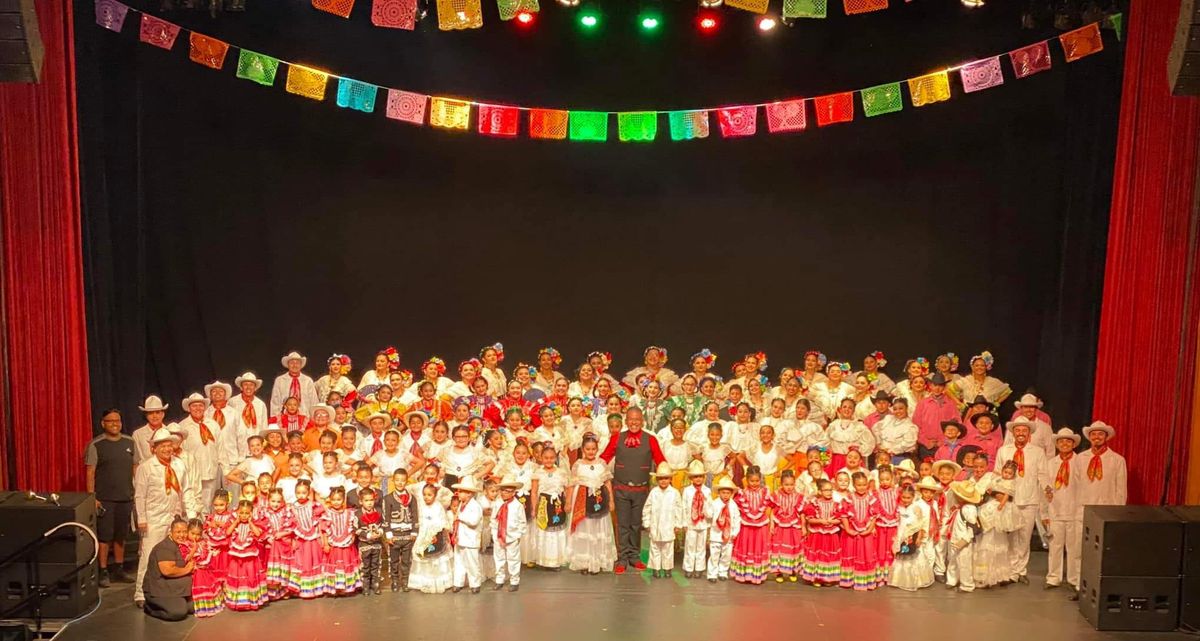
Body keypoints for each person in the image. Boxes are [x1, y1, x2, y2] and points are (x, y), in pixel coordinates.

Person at [133, 427, 199, 606]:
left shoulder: (179, 464)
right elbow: (140, 495)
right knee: (148, 553)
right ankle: (140, 592)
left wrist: (191, 515)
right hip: (154, 517)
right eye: (162, 446)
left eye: (169, 445)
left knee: (177, 553)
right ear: (154, 448)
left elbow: (186, 490)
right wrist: (142, 519)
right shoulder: (146, 467)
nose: (167, 449)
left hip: (174, 516)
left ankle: (172, 589)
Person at [599, 407, 665, 574]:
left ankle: (634, 556)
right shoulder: (617, 438)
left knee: (636, 525)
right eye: (631, 419)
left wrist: (666, 478)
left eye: (637, 419)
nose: (634, 422)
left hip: (641, 489)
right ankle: (622, 558)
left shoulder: (650, 439)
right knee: (622, 524)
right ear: (626, 421)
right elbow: (604, 457)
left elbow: (660, 460)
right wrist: (589, 468)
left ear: (642, 421)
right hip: (620, 488)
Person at [85, 408, 136, 587]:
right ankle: (103, 570)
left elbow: (135, 468)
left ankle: (119, 569)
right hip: (105, 499)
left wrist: (136, 491)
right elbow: (90, 472)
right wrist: (93, 497)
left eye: (118, 420)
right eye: (111, 421)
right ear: (103, 423)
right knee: (105, 536)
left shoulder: (130, 442)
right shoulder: (96, 444)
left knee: (121, 535)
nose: (115, 424)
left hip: (126, 497)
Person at [994, 421, 1047, 584]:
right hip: (1009, 499)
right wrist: (999, 493)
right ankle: (1009, 571)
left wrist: (1047, 493)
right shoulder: (1004, 450)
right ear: (1013, 433)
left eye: (1024, 430)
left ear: (1029, 433)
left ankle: (1020, 570)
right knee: (1009, 536)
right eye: (1018, 430)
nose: (1021, 433)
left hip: (1029, 499)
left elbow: (1043, 475)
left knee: (1024, 537)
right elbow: (997, 473)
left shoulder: (1037, 452)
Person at [567, 436, 616, 574]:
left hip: (600, 499)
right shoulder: (578, 464)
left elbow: (607, 482)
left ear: (597, 449)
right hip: (583, 500)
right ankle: (586, 562)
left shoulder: (602, 463)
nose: (590, 451)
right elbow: (571, 484)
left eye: (593, 449)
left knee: (599, 528)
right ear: (583, 449)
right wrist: (568, 501)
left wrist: (611, 500)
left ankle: (598, 561)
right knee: (586, 529)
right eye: (588, 449)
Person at [1042, 427, 1081, 591]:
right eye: (1061, 441)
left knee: (1074, 547)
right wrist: (1044, 512)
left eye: (1068, 441)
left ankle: (1074, 578)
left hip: (1074, 510)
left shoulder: (1080, 462)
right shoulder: (1050, 463)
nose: (1064, 443)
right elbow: (1044, 488)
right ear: (1057, 444)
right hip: (1055, 509)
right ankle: (1053, 577)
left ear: (1073, 444)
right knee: (1055, 546)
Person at [142, 517, 195, 621]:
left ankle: (180, 601)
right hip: (158, 590)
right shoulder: (164, 547)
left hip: (173, 587)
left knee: (194, 607)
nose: (182, 535)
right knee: (178, 612)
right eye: (178, 532)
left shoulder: (181, 545)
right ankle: (150, 607)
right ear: (171, 532)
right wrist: (187, 569)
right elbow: (168, 571)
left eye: (184, 532)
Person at [527, 445, 570, 569]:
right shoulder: (538, 472)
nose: (549, 460)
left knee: (557, 531)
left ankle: (557, 560)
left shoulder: (561, 472)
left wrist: (567, 503)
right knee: (544, 531)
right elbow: (534, 492)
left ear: (555, 458)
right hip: (544, 504)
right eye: (546, 458)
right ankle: (545, 560)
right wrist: (534, 508)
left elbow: (567, 489)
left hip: (558, 505)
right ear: (541, 458)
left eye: (551, 458)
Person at [974, 479, 1019, 589]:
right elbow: (983, 517)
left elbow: (1009, 522)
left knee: (1000, 553)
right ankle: (984, 578)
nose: (1000, 495)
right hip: (989, 534)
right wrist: (990, 524)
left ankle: (1000, 576)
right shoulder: (989, 505)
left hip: (999, 535)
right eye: (998, 493)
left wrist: (1002, 524)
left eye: (1003, 494)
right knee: (986, 553)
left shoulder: (1008, 507)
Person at [839, 471, 880, 591]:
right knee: (851, 554)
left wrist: (870, 529)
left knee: (865, 554)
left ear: (867, 484)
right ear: (853, 484)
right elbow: (844, 515)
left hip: (866, 533)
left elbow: (874, 516)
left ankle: (864, 581)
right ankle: (849, 580)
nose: (862, 487)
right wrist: (847, 529)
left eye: (864, 485)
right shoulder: (848, 498)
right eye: (859, 485)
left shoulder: (871, 498)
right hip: (851, 532)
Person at [224, 499, 268, 611]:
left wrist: (250, 522)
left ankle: (251, 600)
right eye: (241, 513)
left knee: (250, 578)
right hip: (237, 557)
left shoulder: (252, 524)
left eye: (247, 513)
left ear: (251, 513)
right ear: (238, 512)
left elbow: (258, 533)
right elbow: (228, 533)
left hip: (250, 557)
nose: (244, 515)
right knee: (238, 578)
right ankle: (239, 601)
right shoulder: (236, 524)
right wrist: (236, 521)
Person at [410, 483, 453, 594]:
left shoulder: (438, 507)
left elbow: (442, 522)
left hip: (435, 535)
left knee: (437, 557)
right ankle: (425, 582)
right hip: (423, 534)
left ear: (435, 495)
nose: (426, 497)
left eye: (429, 495)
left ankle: (439, 582)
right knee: (424, 556)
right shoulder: (421, 506)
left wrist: (435, 533)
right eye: (424, 494)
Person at [890, 483, 933, 591]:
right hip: (901, 533)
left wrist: (919, 537)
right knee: (902, 554)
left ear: (913, 497)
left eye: (908, 497)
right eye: (903, 497)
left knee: (913, 555)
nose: (905, 500)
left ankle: (914, 580)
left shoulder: (916, 508)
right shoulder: (899, 507)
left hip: (912, 535)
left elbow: (920, 524)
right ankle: (899, 579)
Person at [731, 465, 770, 584]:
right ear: (747, 480)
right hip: (746, 525)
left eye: (757, 481)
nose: (754, 483)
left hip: (760, 524)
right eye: (751, 481)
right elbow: (738, 506)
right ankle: (744, 574)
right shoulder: (742, 493)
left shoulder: (765, 492)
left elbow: (766, 505)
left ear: (760, 480)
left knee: (757, 547)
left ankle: (756, 574)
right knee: (746, 546)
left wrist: (757, 515)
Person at [381, 469, 418, 592]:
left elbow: (415, 515)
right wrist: (388, 534)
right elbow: (385, 517)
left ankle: (405, 582)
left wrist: (414, 531)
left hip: (407, 534)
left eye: (402, 480)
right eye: (397, 480)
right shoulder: (388, 498)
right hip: (395, 534)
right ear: (393, 481)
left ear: (407, 481)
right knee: (394, 560)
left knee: (406, 560)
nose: (400, 483)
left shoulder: (412, 498)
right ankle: (395, 581)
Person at [643, 462, 682, 578]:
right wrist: (647, 522)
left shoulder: (674, 493)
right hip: (655, 525)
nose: (663, 481)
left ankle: (667, 568)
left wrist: (678, 524)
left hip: (669, 526)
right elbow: (647, 508)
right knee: (655, 547)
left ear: (670, 479)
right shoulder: (654, 492)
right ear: (657, 479)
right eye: (660, 479)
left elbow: (679, 509)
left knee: (668, 548)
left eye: (666, 478)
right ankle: (655, 568)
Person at [321, 486, 362, 595]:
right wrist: (325, 543)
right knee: (336, 566)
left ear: (343, 500)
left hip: (347, 545)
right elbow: (324, 530)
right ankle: (335, 587)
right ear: (330, 499)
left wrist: (352, 536)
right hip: (333, 545)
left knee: (346, 565)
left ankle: (347, 587)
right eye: (333, 499)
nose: (336, 502)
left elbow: (353, 527)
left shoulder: (349, 513)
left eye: (338, 499)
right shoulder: (327, 514)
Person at [489, 475, 527, 591]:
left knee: (513, 559)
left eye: (509, 491)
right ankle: (499, 580)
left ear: (513, 492)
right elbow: (494, 519)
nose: (505, 493)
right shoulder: (497, 503)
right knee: (499, 558)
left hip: (512, 536)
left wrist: (519, 535)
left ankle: (514, 581)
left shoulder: (518, 506)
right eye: (503, 490)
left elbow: (522, 522)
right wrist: (494, 533)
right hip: (499, 535)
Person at [801, 478, 841, 587]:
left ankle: (827, 577)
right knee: (818, 555)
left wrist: (832, 521)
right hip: (818, 534)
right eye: (826, 490)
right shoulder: (814, 503)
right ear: (819, 491)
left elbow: (840, 518)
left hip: (831, 534)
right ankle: (816, 577)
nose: (829, 492)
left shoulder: (836, 504)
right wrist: (821, 521)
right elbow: (810, 519)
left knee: (829, 555)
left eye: (830, 490)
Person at [290, 480, 326, 599]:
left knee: (314, 560)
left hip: (313, 539)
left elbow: (321, 519)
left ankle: (317, 588)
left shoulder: (313, 505)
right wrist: (294, 540)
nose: (301, 495)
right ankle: (305, 589)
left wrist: (322, 538)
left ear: (308, 493)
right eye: (298, 493)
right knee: (303, 562)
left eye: (304, 492)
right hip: (301, 539)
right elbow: (291, 524)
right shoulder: (292, 507)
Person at [913, 373, 961, 461]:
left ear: (944, 387)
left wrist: (944, 441)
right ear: (930, 386)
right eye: (935, 385)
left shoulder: (950, 404)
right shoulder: (923, 403)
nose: (937, 388)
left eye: (940, 385)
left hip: (945, 446)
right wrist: (926, 441)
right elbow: (916, 425)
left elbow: (957, 424)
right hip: (926, 447)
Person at [945, 478, 982, 593]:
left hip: (963, 540)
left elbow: (973, 527)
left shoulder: (969, 509)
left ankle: (967, 585)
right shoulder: (960, 507)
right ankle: (952, 580)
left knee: (964, 563)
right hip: (955, 537)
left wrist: (965, 540)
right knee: (953, 560)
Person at [260, 488, 297, 600]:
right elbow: (261, 527)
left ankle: (285, 590)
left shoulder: (286, 511)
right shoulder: (264, 512)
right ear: (268, 500)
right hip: (271, 546)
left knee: (284, 567)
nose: (275, 504)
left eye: (278, 502)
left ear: (282, 501)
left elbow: (292, 526)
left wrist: (282, 534)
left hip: (284, 544)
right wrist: (269, 537)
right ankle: (273, 592)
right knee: (273, 568)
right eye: (273, 501)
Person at [768, 469, 804, 582]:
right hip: (780, 525)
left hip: (794, 526)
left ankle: (792, 570)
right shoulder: (776, 495)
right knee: (779, 548)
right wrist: (771, 524)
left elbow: (802, 512)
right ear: (781, 484)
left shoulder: (799, 496)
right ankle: (778, 572)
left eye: (791, 484)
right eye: (786, 484)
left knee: (793, 548)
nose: (789, 487)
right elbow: (772, 510)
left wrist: (803, 526)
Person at [680, 460, 712, 579]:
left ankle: (699, 568)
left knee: (701, 546)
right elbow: (684, 507)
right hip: (691, 523)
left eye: (700, 476)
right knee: (690, 546)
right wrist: (683, 522)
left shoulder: (707, 491)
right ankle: (688, 568)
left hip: (703, 522)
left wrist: (709, 521)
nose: (698, 479)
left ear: (704, 477)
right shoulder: (687, 491)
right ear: (691, 478)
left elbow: (710, 507)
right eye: (695, 477)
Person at [949, 351, 1013, 409]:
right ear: (972, 367)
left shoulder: (993, 382)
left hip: (987, 415)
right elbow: (948, 390)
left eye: (982, 365)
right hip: (969, 414)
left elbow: (1007, 391)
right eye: (976, 365)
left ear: (986, 367)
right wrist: (960, 404)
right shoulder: (966, 380)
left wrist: (996, 404)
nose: (979, 367)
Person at [707, 476, 741, 583]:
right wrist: (706, 505)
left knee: (726, 555)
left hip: (728, 535)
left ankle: (723, 572)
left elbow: (736, 519)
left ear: (731, 494)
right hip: (716, 534)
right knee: (714, 555)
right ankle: (712, 574)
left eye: (728, 493)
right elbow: (709, 516)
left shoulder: (733, 505)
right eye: (723, 492)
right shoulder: (714, 503)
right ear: (719, 492)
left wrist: (735, 532)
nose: (725, 495)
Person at [353, 487, 385, 596]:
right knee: (365, 566)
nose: (369, 503)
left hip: (377, 544)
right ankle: (365, 585)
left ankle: (375, 584)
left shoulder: (379, 511)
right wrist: (367, 535)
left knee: (376, 565)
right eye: (366, 501)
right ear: (361, 501)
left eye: (371, 500)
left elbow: (383, 524)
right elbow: (355, 529)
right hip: (364, 544)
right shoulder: (357, 514)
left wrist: (380, 532)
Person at [271, 351, 320, 417]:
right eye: (292, 363)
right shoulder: (280, 380)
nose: (295, 365)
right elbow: (275, 402)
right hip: (284, 419)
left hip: (305, 418)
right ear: (288, 365)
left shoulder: (308, 381)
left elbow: (314, 402)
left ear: (301, 365)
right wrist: (276, 419)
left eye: (297, 363)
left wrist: (313, 419)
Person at [229, 372, 269, 440]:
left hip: (256, 443)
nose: (248, 387)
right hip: (238, 441)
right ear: (241, 387)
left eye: (251, 385)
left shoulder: (261, 404)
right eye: (245, 384)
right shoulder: (232, 402)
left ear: (255, 388)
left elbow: (264, 427)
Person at [132, 395, 170, 463]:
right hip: (146, 471)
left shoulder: (170, 431)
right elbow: (137, 460)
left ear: (163, 414)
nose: (154, 416)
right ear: (146, 415)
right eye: (150, 413)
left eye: (157, 412)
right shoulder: (138, 434)